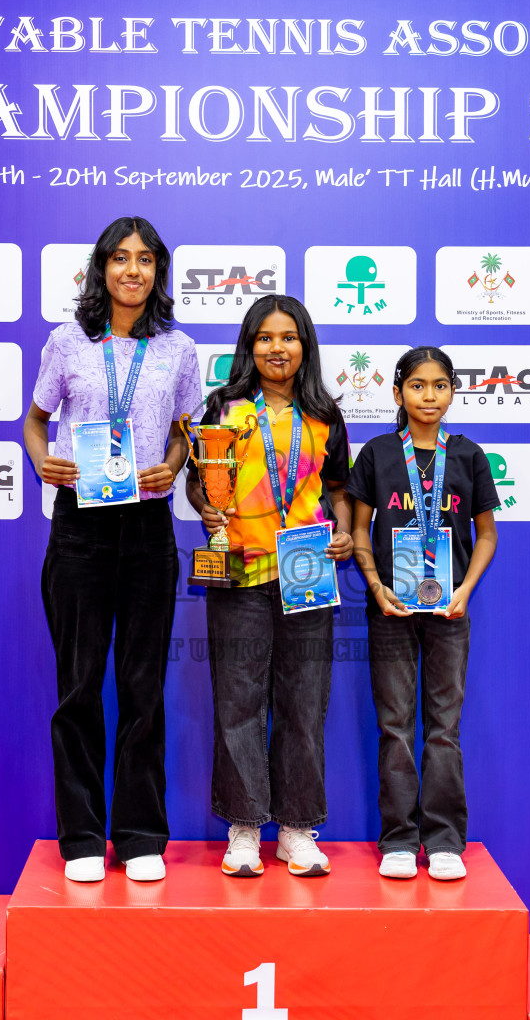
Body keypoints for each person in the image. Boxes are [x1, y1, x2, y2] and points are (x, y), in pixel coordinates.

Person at [25, 216, 201, 883]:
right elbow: (36, 422)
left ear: (158, 270)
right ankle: (80, 838)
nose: (134, 270)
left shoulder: (178, 349)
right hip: (80, 529)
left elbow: (187, 433)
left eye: (146, 260)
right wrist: (44, 462)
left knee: (141, 687)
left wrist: (172, 465)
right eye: (121, 259)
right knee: (78, 687)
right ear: (101, 269)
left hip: (149, 526)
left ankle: (138, 837)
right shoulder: (68, 342)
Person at [186, 295, 352, 877]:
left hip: (307, 573)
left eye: (288, 337)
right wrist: (207, 508)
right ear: (248, 346)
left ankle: (298, 829)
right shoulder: (223, 407)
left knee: (304, 704)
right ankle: (244, 828)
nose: (276, 348)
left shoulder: (326, 415)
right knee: (238, 702)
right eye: (264, 338)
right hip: (238, 572)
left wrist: (349, 535)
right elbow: (200, 485)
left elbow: (339, 490)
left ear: (304, 345)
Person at [346, 346, 499, 881]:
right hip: (388, 609)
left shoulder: (469, 456)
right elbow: (360, 530)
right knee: (394, 726)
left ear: (453, 391)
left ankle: (443, 840)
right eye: (417, 385)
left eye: (439, 385)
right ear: (397, 392)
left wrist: (466, 590)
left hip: (449, 611)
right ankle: (398, 840)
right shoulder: (380, 454)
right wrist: (374, 583)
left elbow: (487, 536)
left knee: (443, 729)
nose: (428, 395)